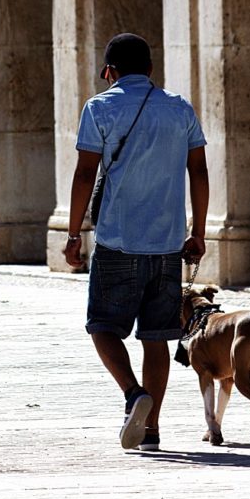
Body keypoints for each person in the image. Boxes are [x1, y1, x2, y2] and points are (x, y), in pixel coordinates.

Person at [63, 33, 209, 451]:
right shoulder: (179, 109)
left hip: (117, 242)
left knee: (102, 326)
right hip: (166, 245)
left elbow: (84, 174)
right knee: (156, 336)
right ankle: (152, 429)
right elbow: (198, 172)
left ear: (109, 71)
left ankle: (133, 394)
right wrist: (196, 233)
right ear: (150, 70)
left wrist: (74, 235)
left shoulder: (100, 107)